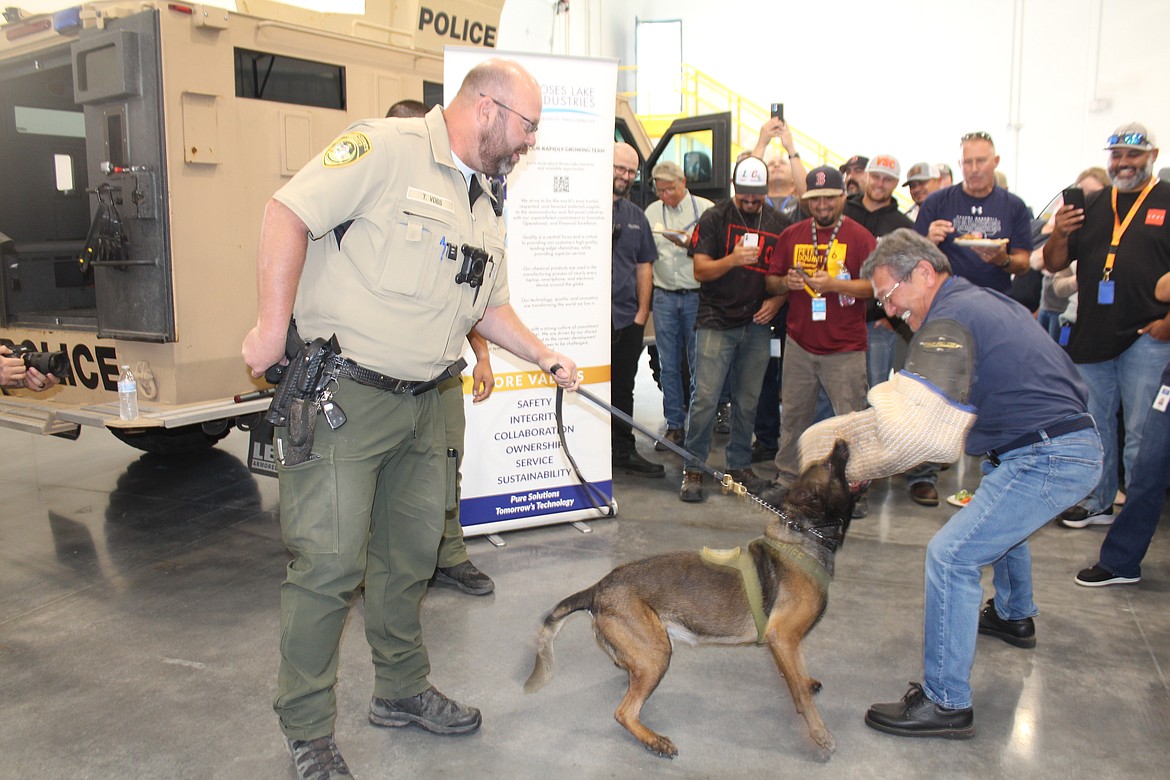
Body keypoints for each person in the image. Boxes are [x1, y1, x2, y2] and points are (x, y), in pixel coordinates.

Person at [241, 58, 580, 779]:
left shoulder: (485, 201)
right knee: (328, 565)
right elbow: (287, 213)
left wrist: (546, 354)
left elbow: (488, 304)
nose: (528, 145)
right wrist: (272, 327)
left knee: (406, 562)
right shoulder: (384, 150)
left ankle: (400, 690)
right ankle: (306, 730)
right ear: (486, 108)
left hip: (428, 403)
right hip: (347, 398)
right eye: (527, 128)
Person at [861, 229, 1102, 738]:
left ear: (924, 273)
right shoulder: (978, 298)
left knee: (951, 556)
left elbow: (915, 433)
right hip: (1052, 441)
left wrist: (851, 459)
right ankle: (1014, 615)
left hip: (1048, 453)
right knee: (996, 500)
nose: (888, 311)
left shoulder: (948, 320)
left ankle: (945, 702)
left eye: (888, 295)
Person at [385, 97, 494, 597]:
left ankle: (448, 554)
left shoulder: (458, 200)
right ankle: (387, 566)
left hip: (443, 372)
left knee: (447, 462)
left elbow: (471, 291)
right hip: (378, 374)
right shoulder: (377, 199)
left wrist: (485, 356)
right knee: (382, 475)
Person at [1043, 122, 1170, 528]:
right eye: (1116, 155)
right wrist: (1060, 232)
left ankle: (1134, 522)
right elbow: (1054, 263)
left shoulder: (1167, 200)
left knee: (1140, 436)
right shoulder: (1094, 203)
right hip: (1092, 334)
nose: (1124, 163)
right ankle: (1098, 502)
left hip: (1146, 337)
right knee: (1095, 430)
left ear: (1152, 156)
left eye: (1134, 155)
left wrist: (1168, 322)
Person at [679, 156, 788, 502]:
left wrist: (779, 301)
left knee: (748, 400)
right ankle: (693, 466)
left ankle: (738, 465)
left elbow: (786, 275)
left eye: (757, 196)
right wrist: (733, 260)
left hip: (756, 323)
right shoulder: (715, 217)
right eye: (745, 196)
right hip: (715, 319)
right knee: (706, 399)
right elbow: (700, 270)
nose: (751, 202)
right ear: (734, 188)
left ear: (766, 190)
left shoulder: (779, 223)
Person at [765, 166, 875, 495]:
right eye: (815, 199)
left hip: (845, 348)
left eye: (829, 197)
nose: (823, 204)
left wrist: (835, 284)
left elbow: (876, 287)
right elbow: (771, 280)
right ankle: (786, 480)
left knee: (851, 424)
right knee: (793, 418)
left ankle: (855, 488)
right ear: (805, 200)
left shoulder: (860, 238)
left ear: (843, 197)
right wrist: (787, 282)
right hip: (800, 344)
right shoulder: (792, 234)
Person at [844, 155, 928, 508]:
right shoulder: (844, 212)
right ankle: (845, 470)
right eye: (875, 177)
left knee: (874, 399)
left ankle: (867, 476)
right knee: (844, 400)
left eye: (887, 179)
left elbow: (914, 277)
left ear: (896, 184)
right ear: (865, 177)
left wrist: (892, 317)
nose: (880, 184)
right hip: (839, 323)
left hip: (878, 326)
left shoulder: (902, 226)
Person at [645, 160, 713, 454]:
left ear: (684, 182)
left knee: (699, 363)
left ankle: (699, 429)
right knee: (667, 363)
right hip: (663, 296)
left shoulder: (707, 210)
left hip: (697, 296)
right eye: (660, 190)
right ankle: (674, 425)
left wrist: (690, 243)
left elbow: (716, 252)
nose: (665, 195)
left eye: (670, 189)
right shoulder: (651, 212)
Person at [916, 131, 1033, 294]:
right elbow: (911, 259)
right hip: (947, 300)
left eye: (981, 161)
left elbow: (1024, 263)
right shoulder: (936, 203)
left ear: (996, 161)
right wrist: (928, 241)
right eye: (967, 162)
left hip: (995, 300)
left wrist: (1004, 260)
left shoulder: (1014, 206)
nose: (974, 169)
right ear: (959, 164)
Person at [611, 142, 663, 477]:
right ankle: (588, 449)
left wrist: (642, 313)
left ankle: (622, 450)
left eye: (631, 171)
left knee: (622, 388)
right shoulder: (578, 208)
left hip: (627, 319)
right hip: (586, 324)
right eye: (619, 168)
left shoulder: (636, 217)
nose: (625, 176)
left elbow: (645, 266)